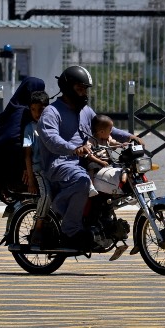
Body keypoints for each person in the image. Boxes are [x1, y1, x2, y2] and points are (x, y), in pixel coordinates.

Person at [38, 65, 134, 250]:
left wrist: (129, 137)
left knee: (117, 179)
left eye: (85, 89)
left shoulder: (85, 111)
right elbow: (51, 139)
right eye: (79, 89)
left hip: (86, 161)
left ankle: (100, 221)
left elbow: (106, 129)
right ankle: (70, 229)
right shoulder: (52, 112)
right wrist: (74, 148)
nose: (84, 93)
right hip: (60, 164)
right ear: (67, 88)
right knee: (83, 181)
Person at [0, 76, 46, 203]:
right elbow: (17, 142)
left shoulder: (13, 107)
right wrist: (26, 167)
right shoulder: (26, 112)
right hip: (15, 164)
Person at [22, 90, 51, 246]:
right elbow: (27, 154)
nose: (37, 113)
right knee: (46, 195)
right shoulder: (30, 128)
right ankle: (38, 226)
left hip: (55, 168)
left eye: (40, 109)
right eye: (33, 110)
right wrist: (31, 180)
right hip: (40, 170)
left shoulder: (53, 124)